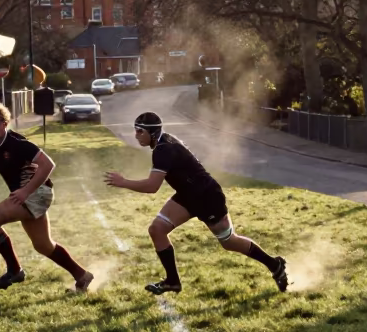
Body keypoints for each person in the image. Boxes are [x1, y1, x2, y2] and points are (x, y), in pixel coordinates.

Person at [104, 111, 287, 295]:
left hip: (207, 196)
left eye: (139, 131)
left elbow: (152, 186)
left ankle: (274, 265)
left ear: (151, 133)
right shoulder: (162, 143)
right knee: (157, 229)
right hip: (187, 195)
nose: (136, 136)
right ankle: (172, 281)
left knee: (228, 241)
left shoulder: (163, 150)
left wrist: (123, 182)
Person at [0, 102, 94, 292]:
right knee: (43, 245)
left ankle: (14, 271)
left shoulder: (18, 144)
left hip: (38, 192)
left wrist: (25, 191)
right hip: (26, 195)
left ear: (5, 124)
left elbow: (48, 165)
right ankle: (82, 275)